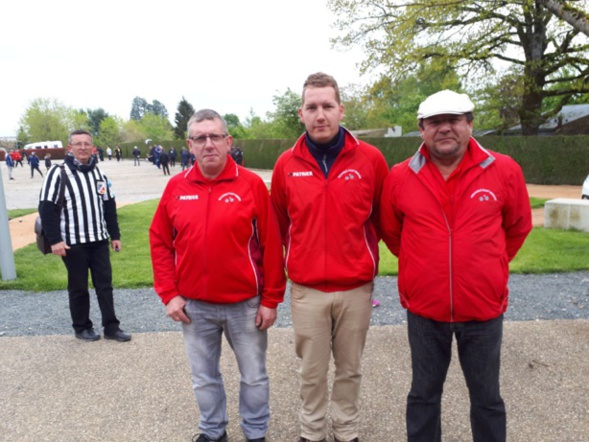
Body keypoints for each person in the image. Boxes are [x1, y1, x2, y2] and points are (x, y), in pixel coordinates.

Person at [379, 90, 533, 442]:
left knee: (487, 399)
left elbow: (518, 226)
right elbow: (391, 230)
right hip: (425, 310)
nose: (445, 128)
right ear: (421, 129)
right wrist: (424, 266)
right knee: (423, 396)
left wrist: (486, 266)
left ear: (470, 124)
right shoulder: (400, 176)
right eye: (435, 122)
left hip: (482, 311)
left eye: (454, 120)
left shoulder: (503, 170)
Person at [150, 109, 286, 442]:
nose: (208, 144)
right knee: (204, 378)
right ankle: (213, 432)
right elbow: (159, 241)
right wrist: (169, 294)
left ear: (228, 141)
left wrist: (270, 300)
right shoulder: (175, 187)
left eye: (215, 136)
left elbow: (271, 244)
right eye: (200, 138)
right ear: (189, 145)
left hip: (246, 305)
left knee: (254, 376)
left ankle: (255, 433)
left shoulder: (251, 185)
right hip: (195, 307)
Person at [270, 72, 389, 442]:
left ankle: (346, 430)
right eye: (312, 107)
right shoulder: (286, 164)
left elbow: (385, 220)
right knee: (311, 370)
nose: (320, 114)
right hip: (307, 290)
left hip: (355, 286)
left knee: (350, 368)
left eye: (327, 106)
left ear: (341, 109)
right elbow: (279, 227)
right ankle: (312, 431)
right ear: (301, 114)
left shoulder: (370, 160)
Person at [38, 129, 131, 343]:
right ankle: (82, 327)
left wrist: (114, 235)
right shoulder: (58, 173)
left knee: (105, 285)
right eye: (78, 144)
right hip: (73, 243)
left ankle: (111, 327)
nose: (83, 148)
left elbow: (109, 206)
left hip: (98, 241)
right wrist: (55, 240)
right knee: (79, 287)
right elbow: (46, 209)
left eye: (86, 144)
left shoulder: (100, 175)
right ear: (69, 148)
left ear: (93, 148)